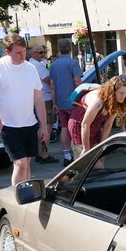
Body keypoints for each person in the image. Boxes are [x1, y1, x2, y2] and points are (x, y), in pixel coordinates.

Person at [0, 33, 49, 185]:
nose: (22, 56)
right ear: (7, 52)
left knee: (26, 163)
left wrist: (43, 126)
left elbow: (38, 99)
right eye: (18, 53)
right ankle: (17, 197)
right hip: (9, 126)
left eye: (24, 52)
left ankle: (26, 196)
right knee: (20, 164)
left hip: (29, 124)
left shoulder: (31, 68)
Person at [68, 76, 126, 155]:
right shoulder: (98, 101)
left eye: (125, 92)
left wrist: (102, 146)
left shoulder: (116, 102)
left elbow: (108, 125)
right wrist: (86, 148)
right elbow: (85, 124)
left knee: (99, 160)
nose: (124, 96)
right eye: (121, 93)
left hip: (95, 127)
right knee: (85, 162)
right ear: (112, 92)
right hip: (79, 125)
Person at [49, 38, 83, 166]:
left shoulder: (53, 64)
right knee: (76, 126)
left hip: (60, 101)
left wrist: (54, 103)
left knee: (64, 127)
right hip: (73, 101)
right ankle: (78, 154)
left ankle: (66, 155)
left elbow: (52, 86)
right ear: (70, 49)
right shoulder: (73, 63)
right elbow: (77, 82)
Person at [29, 45, 58, 164]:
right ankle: (43, 154)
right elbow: (49, 80)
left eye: (44, 52)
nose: (43, 54)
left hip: (38, 97)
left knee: (42, 126)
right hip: (45, 98)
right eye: (40, 52)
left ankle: (40, 152)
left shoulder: (32, 65)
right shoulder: (37, 65)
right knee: (46, 126)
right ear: (33, 53)